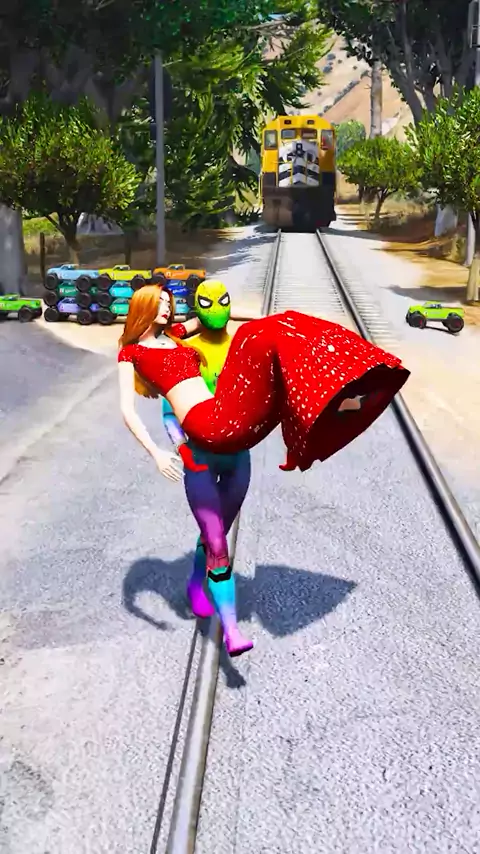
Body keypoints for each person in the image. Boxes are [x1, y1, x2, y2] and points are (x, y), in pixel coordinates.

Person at [118, 283, 410, 628]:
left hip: (225, 420)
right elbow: (128, 410)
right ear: (143, 306)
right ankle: (209, 597)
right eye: (160, 304)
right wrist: (156, 452)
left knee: (273, 351)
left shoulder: (176, 335)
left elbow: (211, 317)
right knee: (258, 336)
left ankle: (340, 398)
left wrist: (268, 317)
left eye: (169, 303)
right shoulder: (131, 352)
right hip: (206, 426)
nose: (167, 309)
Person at [161, 280, 253, 657]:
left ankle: (196, 580)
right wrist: (182, 449)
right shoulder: (184, 352)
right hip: (199, 458)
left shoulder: (244, 348)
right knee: (217, 542)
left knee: (216, 534)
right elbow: (169, 411)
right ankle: (232, 630)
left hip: (238, 458)